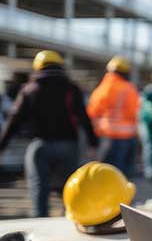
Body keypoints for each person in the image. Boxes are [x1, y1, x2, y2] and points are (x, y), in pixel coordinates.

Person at [0, 50, 97, 217]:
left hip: (40, 146)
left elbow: (14, 120)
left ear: (38, 67)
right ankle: (69, 219)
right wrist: (93, 143)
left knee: (39, 187)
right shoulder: (71, 88)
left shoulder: (30, 89)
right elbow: (83, 116)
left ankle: (41, 221)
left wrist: (1, 146)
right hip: (69, 146)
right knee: (70, 187)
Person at [87, 56, 140, 178]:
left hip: (106, 136)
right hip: (126, 136)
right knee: (121, 173)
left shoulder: (101, 89)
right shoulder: (129, 88)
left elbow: (92, 112)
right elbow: (135, 111)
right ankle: (120, 195)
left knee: (105, 171)